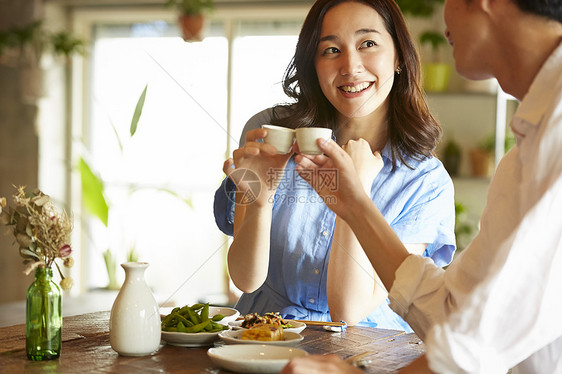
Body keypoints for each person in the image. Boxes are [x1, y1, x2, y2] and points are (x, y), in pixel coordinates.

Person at [282, 0, 562, 372]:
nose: (442, 23)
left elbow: (473, 347)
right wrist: (354, 205)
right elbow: (453, 310)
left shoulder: (554, 131)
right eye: (331, 49)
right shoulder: (533, 135)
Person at [213, 0, 456, 331]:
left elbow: (347, 310)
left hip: (367, 351)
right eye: (330, 50)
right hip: (263, 339)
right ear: (313, 63)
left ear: (398, 56)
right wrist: (259, 199)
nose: (350, 66)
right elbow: (245, 278)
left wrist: (356, 191)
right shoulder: (272, 134)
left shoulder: (426, 182)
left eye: (368, 43)